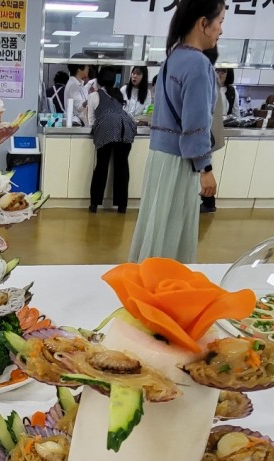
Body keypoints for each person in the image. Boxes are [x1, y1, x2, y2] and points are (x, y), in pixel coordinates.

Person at [128, 0, 224, 263]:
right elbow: (196, 124)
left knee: (155, 227)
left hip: (159, 159)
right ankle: (166, 283)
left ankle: (146, 279)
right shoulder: (198, 64)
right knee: (172, 233)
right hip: (181, 161)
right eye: (220, 22)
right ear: (203, 23)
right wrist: (206, 169)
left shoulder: (172, 59)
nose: (221, 29)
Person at [88, 67, 137, 214]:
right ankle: (122, 206)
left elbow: (91, 120)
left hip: (107, 128)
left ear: (98, 80)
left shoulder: (94, 95)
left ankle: (94, 204)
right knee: (122, 166)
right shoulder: (119, 95)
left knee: (102, 166)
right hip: (126, 127)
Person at [201, 46, 226, 214]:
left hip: (206, 135)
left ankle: (209, 202)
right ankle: (208, 202)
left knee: (204, 168)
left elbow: (201, 116)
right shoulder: (210, 75)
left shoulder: (205, 75)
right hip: (208, 134)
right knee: (204, 168)